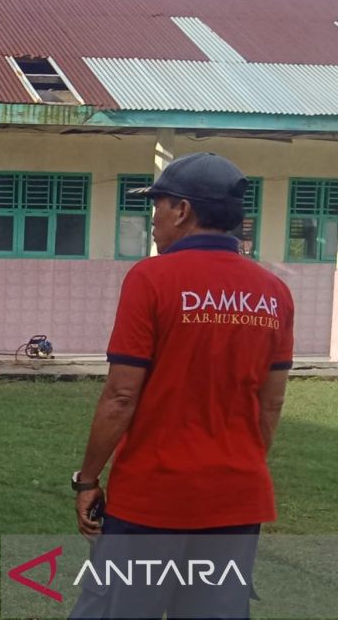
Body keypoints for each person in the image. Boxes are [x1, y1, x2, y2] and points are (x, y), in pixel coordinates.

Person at [70, 153, 293, 620]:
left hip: (154, 497)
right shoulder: (274, 292)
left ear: (183, 211)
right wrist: (235, 467)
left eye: (159, 205)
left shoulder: (152, 278)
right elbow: (270, 404)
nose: (153, 218)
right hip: (236, 498)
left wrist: (87, 479)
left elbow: (121, 395)